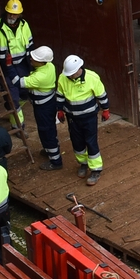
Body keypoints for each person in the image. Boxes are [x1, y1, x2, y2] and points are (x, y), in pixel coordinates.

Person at [56, 55, 110, 186]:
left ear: (78, 69)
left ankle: (96, 170)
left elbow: (101, 95)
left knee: (91, 142)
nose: (70, 76)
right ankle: (83, 164)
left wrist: (106, 109)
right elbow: (60, 95)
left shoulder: (92, 78)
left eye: (72, 74)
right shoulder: (63, 77)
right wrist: (59, 110)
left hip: (89, 118)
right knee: (77, 143)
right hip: (72, 118)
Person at [11, 46, 63, 171]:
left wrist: (8, 66)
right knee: (47, 129)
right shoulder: (49, 66)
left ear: (41, 62)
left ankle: (56, 161)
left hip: (43, 108)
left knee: (47, 131)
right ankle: (49, 149)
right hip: (47, 104)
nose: (31, 59)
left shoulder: (40, 76)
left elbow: (17, 82)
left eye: (34, 59)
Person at [0, 0, 34, 125]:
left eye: (15, 14)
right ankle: (18, 125)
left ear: (20, 15)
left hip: (22, 65)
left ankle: (11, 107)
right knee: (12, 97)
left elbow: (30, 45)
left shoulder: (24, 25)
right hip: (5, 67)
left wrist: (31, 66)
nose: (12, 16)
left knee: (24, 92)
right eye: (10, 13)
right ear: (6, 12)